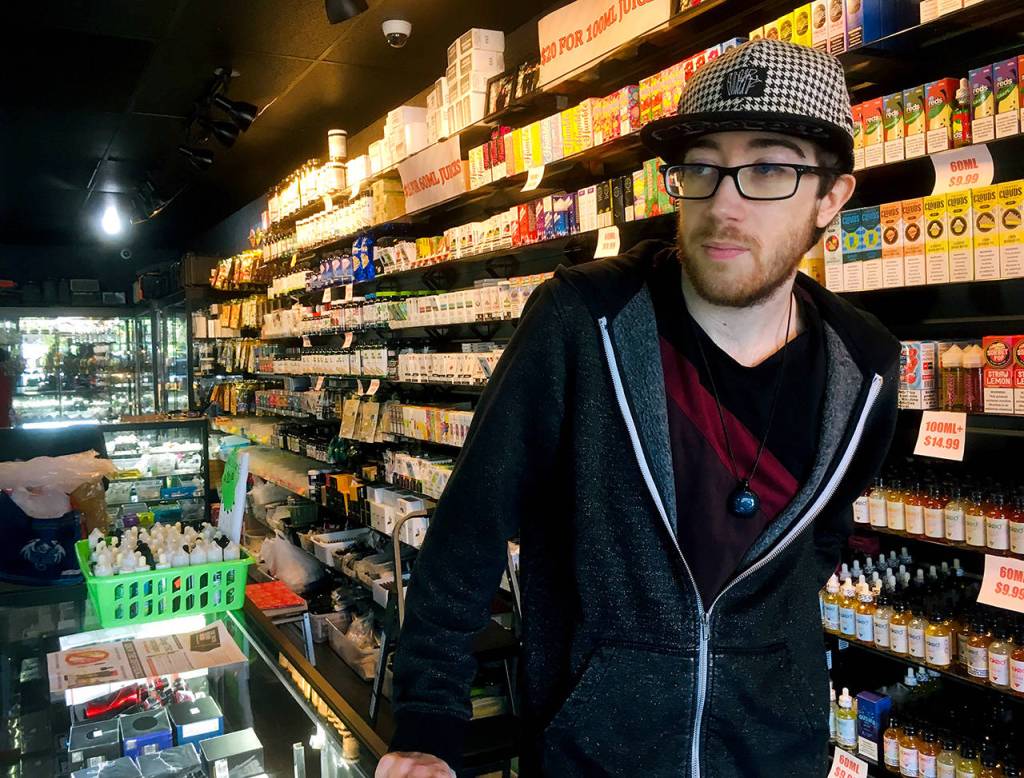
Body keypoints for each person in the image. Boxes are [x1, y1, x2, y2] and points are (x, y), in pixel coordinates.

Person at [376, 39, 899, 778]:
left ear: (832, 196)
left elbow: (823, 531)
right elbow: (470, 526)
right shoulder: (584, 321)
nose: (723, 202)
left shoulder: (866, 364)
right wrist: (427, 727)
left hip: (774, 754)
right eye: (701, 167)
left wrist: (764, 661)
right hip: (591, 753)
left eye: (771, 167)